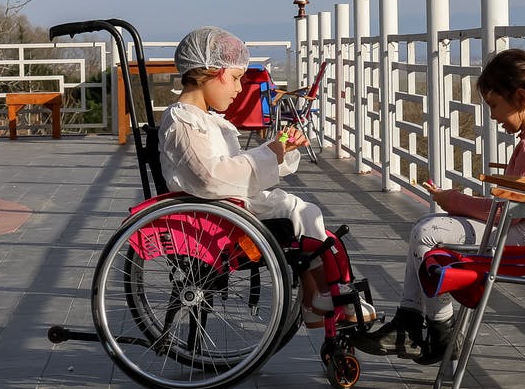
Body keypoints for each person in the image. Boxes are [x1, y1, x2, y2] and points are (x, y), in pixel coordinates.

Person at [354, 48, 525, 364]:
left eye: (494, 105)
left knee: (427, 231)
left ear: (520, 97)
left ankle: (437, 329)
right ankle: (417, 323)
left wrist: (454, 202)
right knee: (426, 231)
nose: (493, 115)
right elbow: (509, 208)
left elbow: (505, 214)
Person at [157, 26, 376, 328]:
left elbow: (228, 168)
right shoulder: (183, 120)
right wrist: (271, 152)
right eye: (234, 78)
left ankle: (320, 297)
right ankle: (326, 294)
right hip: (217, 219)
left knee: (304, 215)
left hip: (225, 208)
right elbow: (210, 177)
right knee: (300, 214)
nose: (238, 89)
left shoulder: (201, 120)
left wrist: (278, 150)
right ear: (211, 71)